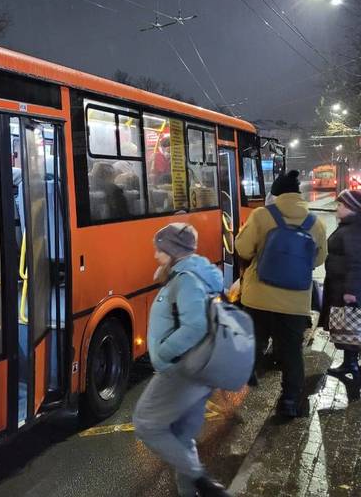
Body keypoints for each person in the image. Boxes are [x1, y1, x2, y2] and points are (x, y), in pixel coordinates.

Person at [133, 223, 230, 497]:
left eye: (159, 250)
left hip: (181, 369)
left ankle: (202, 482)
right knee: (181, 435)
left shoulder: (186, 280)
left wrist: (163, 351)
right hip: (201, 367)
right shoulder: (193, 273)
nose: (155, 255)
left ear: (173, 251)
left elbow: (196, 325)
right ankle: (194, 491)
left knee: (146, 424)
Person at [235, 170, 327, 418]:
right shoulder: (315, 223)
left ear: (275, 194)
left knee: (252, 342)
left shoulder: (262, 216)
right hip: (294, 303)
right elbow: (319, 259)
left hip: (258, 299)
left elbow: (242, 247)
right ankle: (289, 402)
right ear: (298, 195)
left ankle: (244, 380)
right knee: (291, 355)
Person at [318, 189, 361, 398]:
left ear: (352, 208)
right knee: (347, 326)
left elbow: (356, 262)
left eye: (341, 205)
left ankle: (352, 365)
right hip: (339, 284)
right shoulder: (349, 225)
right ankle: (349, 362)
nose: (338, 208)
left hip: (345, 287)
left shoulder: (354, 229)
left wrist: (351, 291)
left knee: (350, 324)